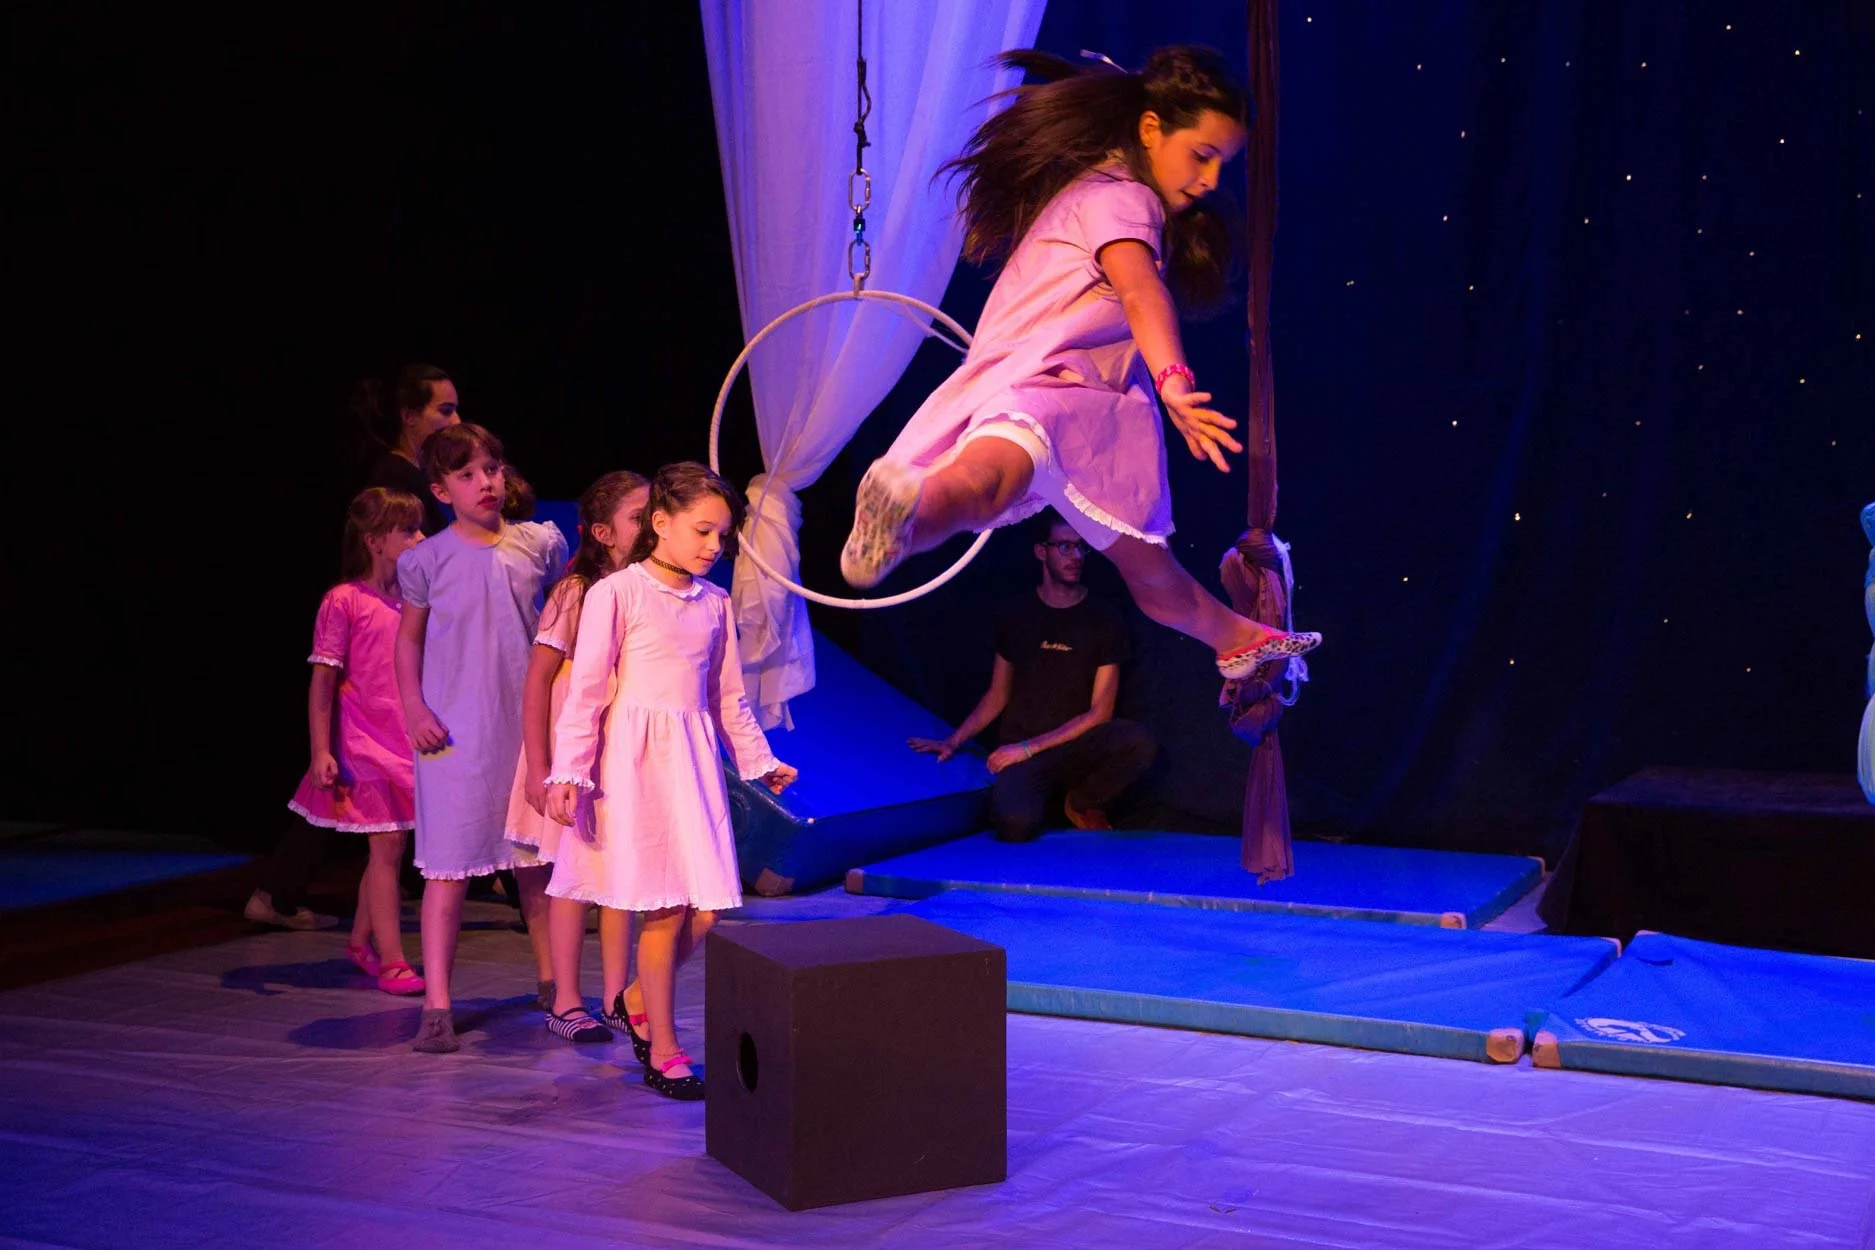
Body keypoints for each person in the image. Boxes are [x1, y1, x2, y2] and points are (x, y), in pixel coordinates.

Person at [840, 46, 1319, 694]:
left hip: (1097, 416)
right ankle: (903, 513)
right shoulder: (1122, 195)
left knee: (1152, 574)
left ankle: (1240, 642)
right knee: (985, 484)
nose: (1209, 181)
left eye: (1220, 165)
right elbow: (1140, 291)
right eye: (1201, 155)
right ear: (1151, 129)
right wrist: (1175, 380)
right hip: (1050, 393)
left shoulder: (1104, 194)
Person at [546, 463, 796, 1099]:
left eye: (723, 536)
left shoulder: (712, 603)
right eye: (704, 531)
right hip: (634, 763)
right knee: (664, 911)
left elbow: (727, 698)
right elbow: (587, 692)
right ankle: (664, 1045)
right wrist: (570, 770)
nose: (716, 547)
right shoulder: (617, 593)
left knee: (705, 913)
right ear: (661, 524)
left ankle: (635, 997)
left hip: (690, 762)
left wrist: (760, 762)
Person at [395, 423, 566, 1053]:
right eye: (467, 475)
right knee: (448, 869)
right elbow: (409, 638)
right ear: (442, 489)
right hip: (455, 736)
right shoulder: (425, 560)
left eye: (491, 469)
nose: (485, 482)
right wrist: (413, 706)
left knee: (534, 863)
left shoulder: (536, 545)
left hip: (522, 730)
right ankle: (437, 1003)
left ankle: (555, 982)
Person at [246, 488, 428, 992]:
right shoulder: (344, 600)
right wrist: (321, 750)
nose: (419, 538)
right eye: (407, 530)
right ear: (375, 541)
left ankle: (361, 941)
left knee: (391, 846)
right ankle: (392, 959)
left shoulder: (413, 601)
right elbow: (323, 683)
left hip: (403, 739)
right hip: (362, 740)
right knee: (388, 842)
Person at [505, 470, 650, 1043]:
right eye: (638, 517)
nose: (649, 526)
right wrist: (541, 768)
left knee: (618, 875)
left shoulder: (647, 588)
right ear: (602, 531)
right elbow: (538, 680)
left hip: (618, 751)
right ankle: (566, 999)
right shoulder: (577, 590)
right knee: (570, 877)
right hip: (571, 753)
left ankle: (617, 996)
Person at [910, 509, 1157, 841]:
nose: (1075, 557)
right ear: (1042, 551)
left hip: (1075, 746)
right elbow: (997, 695)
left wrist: (1030, 747)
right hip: (1023, 754)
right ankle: (1040, 801)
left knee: (1138, 741)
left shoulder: (1104, 617)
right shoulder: (1015, 615)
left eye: (1081, 547)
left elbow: (1100, 713)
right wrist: (953, 741)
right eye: (1065, 547)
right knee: (1014, 825)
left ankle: (1082, 802)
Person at [355, 363, 462, 536]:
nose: (457, 421)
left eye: (455, 410)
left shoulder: (422, 472)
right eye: (446, 411)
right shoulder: (396, 478)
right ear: (409, 417)